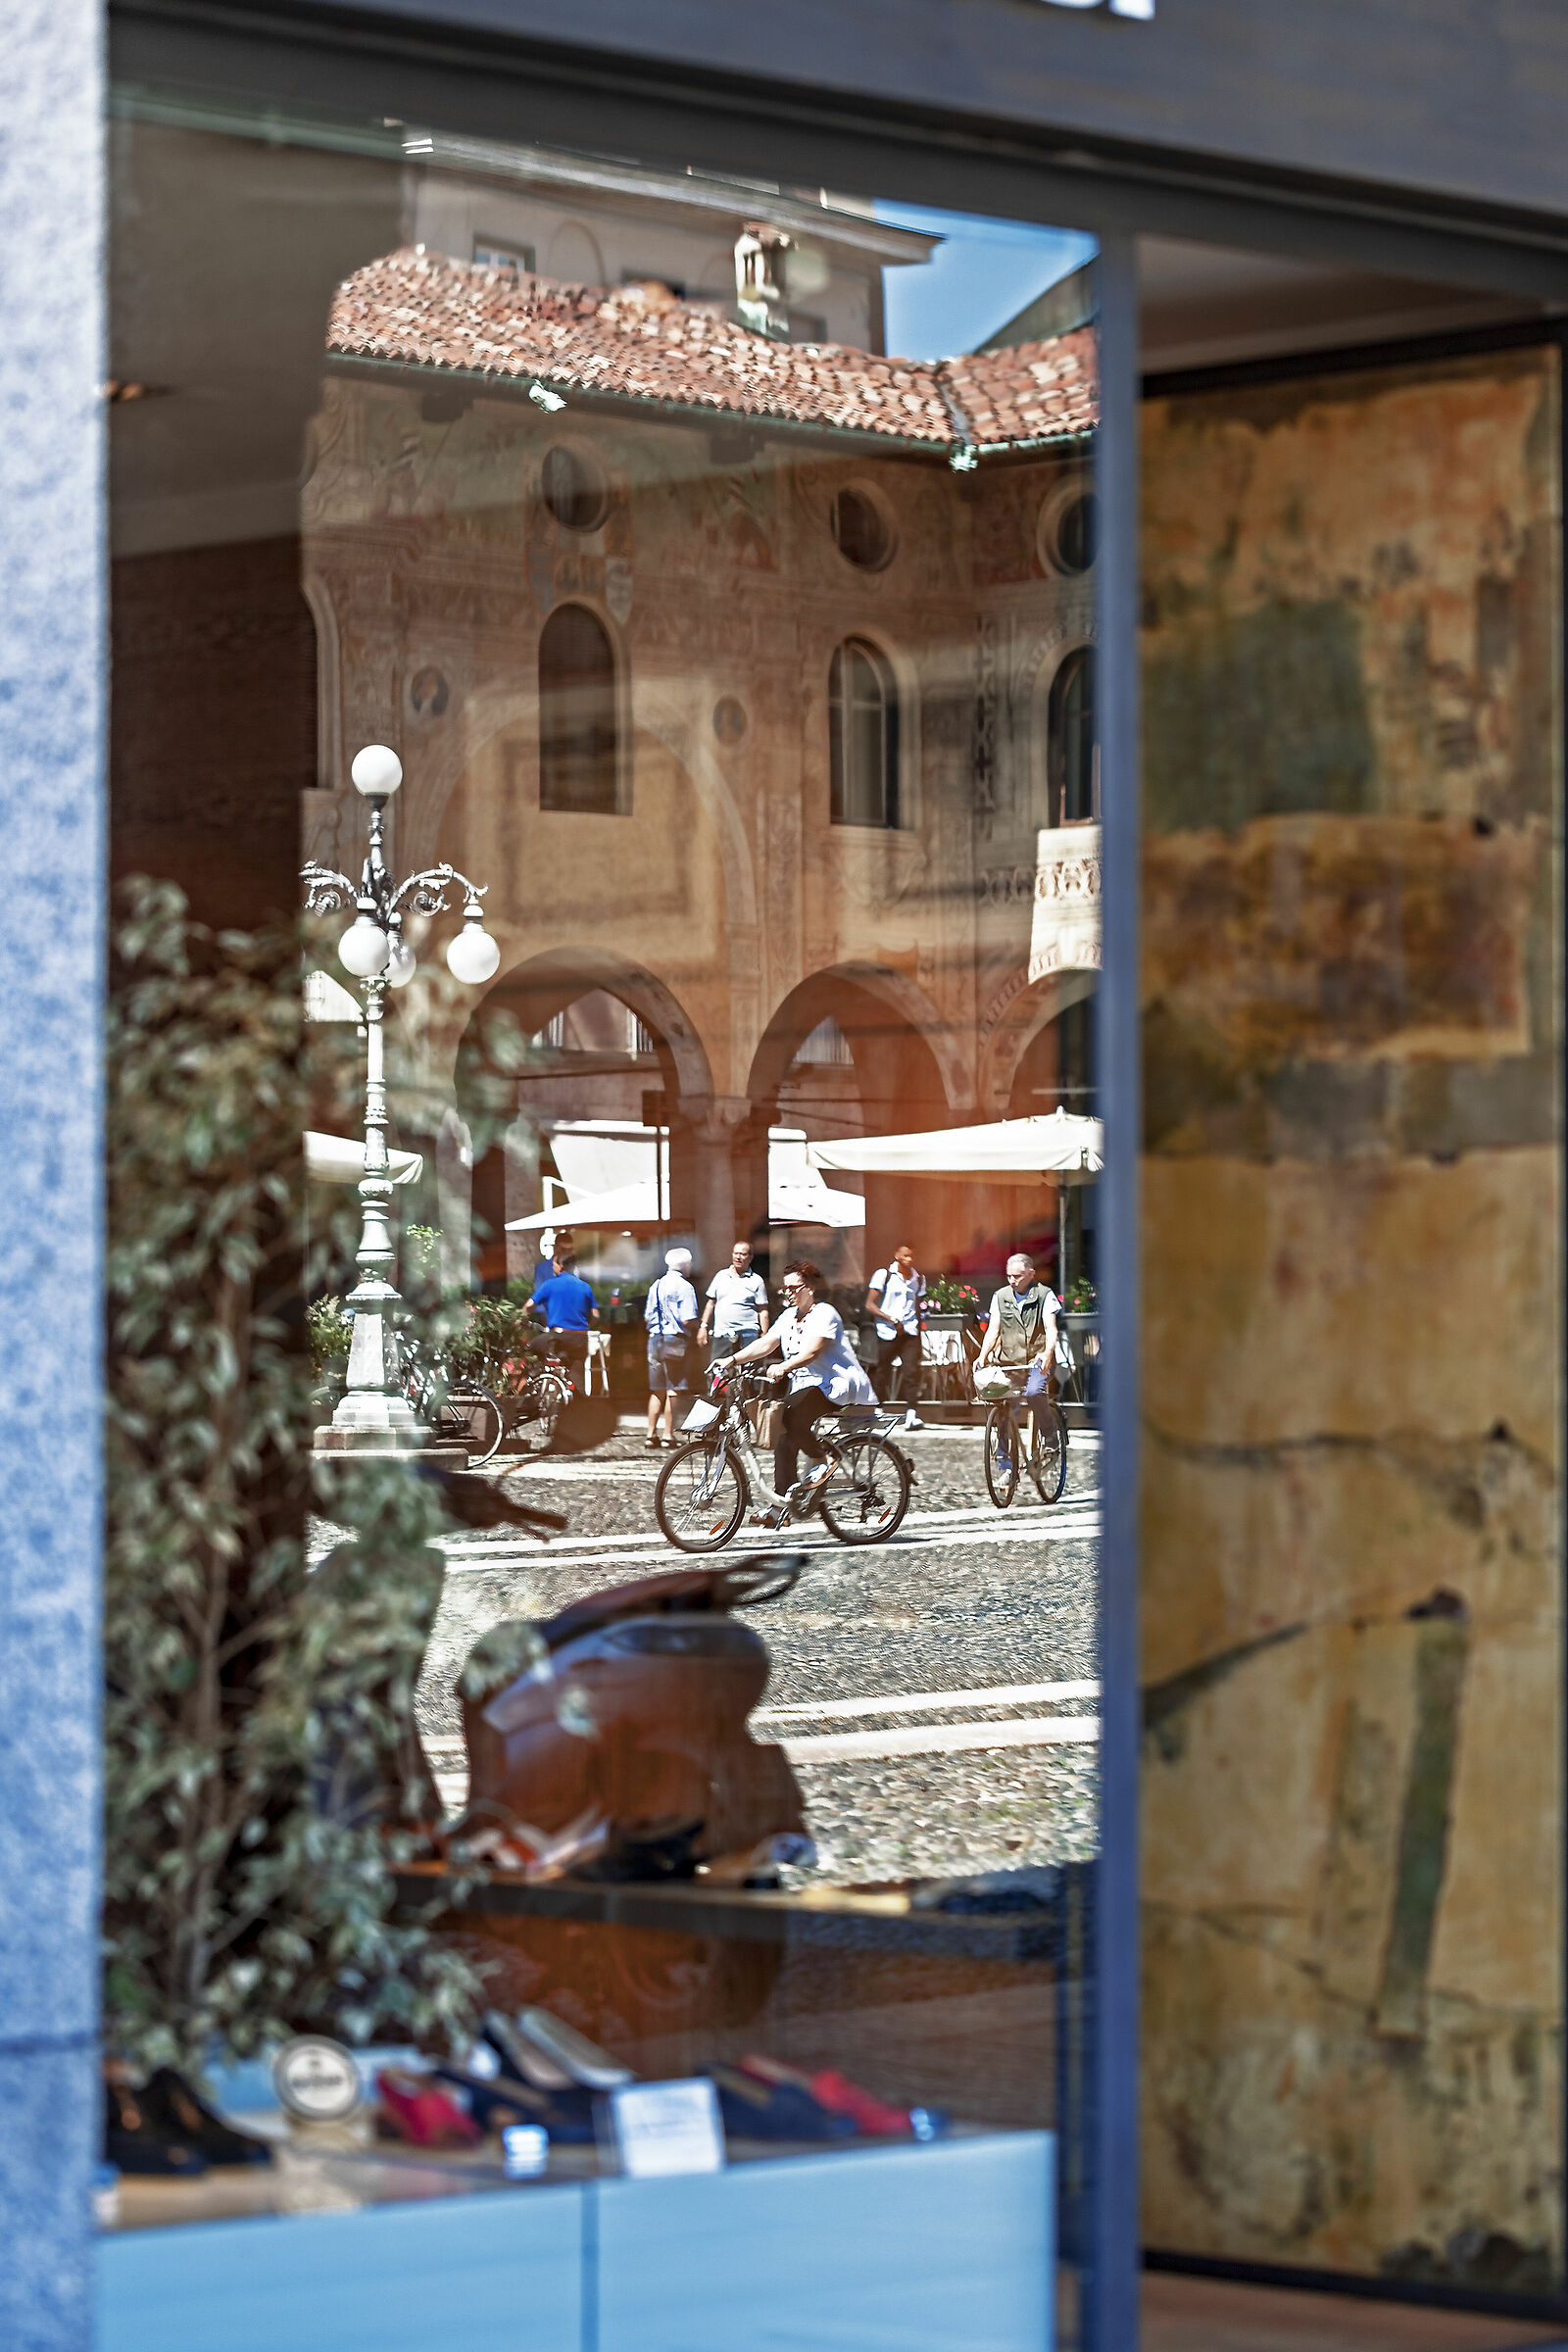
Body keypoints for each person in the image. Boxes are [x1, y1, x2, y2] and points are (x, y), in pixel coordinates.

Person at [725, 1258, 873, 1521]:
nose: (789, 1293)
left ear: (810, 1288)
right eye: (786, 1289)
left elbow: (814, 1350)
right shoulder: (788, 1317)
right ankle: (781, 1505)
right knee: (784, 1436)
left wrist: (784, 1366)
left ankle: (825, 1460)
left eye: (794, 1288)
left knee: (789, 1416)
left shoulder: (825, 1313)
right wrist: (732, 1360)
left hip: (836, 1385)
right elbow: (767, 1343)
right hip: (807, 1386)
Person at [975, 1251, 1060, 1465]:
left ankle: (1051, 1437)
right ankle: (1005, 1460)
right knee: (1001, 1400)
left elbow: (1051, 1330)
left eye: (1017, 1276)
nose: (1012, 1281)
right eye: (1009, 1276)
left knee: (1033, 1392)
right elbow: (993, 1330)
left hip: (1037, 1362)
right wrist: (982, 1355)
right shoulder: (1000, 1296)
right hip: (1009, 1363)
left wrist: (1047, 1353)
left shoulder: (1044, 1295)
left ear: (1031, 1273)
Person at [864, 1242, 926, 1431]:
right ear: (897, 1255)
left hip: (910, 1331)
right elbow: (870, 1304)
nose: (909, 1259)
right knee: (882, 1370)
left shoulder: (919, 1278)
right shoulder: (885, 1275)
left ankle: (912, 1414)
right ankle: (878, 1410)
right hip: (887, 1331)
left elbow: (918, 1304)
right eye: (905, 1255)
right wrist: (889, 1318)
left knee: (911, 1372)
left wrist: (919, 1323)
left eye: (912, 1256)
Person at [644, 1246, 699, 1447]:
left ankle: (650, 1434)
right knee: (673, 1389)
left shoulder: (656, 1285)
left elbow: (647, 1317)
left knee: (656, 1389)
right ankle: (668, 1435)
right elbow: (687, 1319)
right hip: (674, 1339)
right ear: (685, 1264)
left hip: (654, 1340)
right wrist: (700, 1325)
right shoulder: (685, 1287)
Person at [529, 1245, 599, 1391]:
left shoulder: (550, 1284)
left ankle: (536, 1381)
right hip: (580, 1338)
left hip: (558, 1337)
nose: (552, 1267)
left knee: (530, 1347)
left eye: (553, 1264)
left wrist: (520, 1318)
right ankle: (578, 1402)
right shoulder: (585, 1286)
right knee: (577, 1368)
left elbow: (529, 1306)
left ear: (560, 1266)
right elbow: (596, 1315)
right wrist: (584, 1325)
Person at [698, 1240, 770, 1356]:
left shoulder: (757, 1280)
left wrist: (764, 1335)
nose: (738, 1257)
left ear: (750, 1258)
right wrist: (703, 1327)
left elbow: (763, 1310)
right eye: (735, 1253)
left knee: (747, 1373)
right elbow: (711, 1304)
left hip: (748, 1336)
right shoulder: (721, 1276)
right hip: (722, 1335)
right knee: (718, 1372)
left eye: (742, 1254)